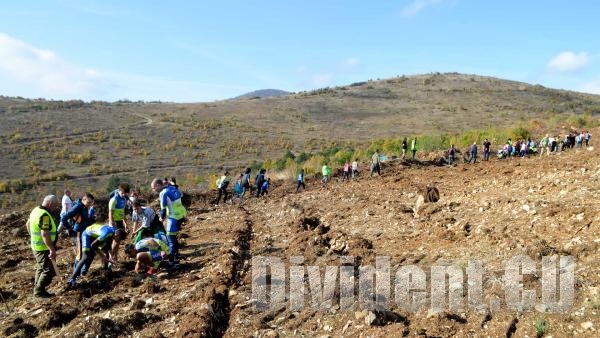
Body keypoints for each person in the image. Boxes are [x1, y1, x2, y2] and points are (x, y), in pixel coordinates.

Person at [27, 195, 60, 298]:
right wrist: (51, 249)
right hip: (44, 248)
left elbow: (27, 224)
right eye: (54, 205)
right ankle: (38, 292)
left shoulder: (35, 210)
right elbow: (45, 234)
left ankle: (39, 289)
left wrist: (32, 236)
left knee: (41, 268)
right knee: (48, 270)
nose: (54, 208)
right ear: (50, 204)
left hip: (37, 246)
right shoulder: (44, 215)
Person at [151, 178, 187, 266]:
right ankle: (176, 257)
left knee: (170, 239)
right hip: (182, 214)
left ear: (158, 185)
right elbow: (181, 197)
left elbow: (163, 209)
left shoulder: (163, 193)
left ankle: (173, 261)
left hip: (173, 216)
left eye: (153, 188)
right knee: (173, 237)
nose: (153, 190)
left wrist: (161, 218)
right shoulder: (173, 188)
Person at [60, 192, 95, 274]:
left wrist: (91, 220)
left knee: (90, 252)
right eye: (88, 202)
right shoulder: (78, 207)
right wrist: (69, 228)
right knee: (80, 254)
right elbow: (64, 218)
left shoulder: (85, 206)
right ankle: (75, 275)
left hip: (85, 233)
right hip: (78, 233)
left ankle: (83, 272)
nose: (89, 204)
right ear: (83, 199)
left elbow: (82, 219)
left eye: (91, 203)